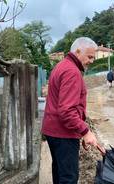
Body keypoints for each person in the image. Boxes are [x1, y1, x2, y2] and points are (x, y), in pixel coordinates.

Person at [41, 37, 103, 184]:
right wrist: (85, 131)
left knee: (59, 172)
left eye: (93, 57)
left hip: (53, 132)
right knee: (68, 178)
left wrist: (80, 131)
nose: (92, 61)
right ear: (77, 51)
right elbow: (67, 111)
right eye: (89, 57)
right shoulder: (72, 72)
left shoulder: (62, 65)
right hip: (63, 134)